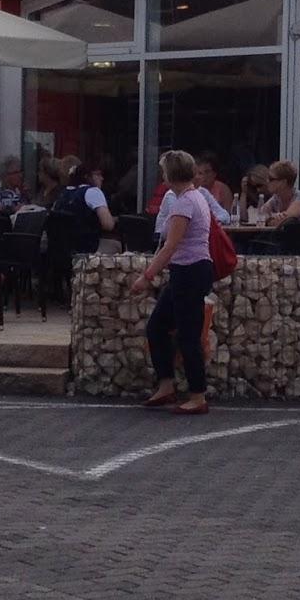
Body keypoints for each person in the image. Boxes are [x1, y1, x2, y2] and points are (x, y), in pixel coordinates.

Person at [130, 150, 214, 415]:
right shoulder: (195, 197)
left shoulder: (184, 204)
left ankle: (198, 395)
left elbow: (170, 246)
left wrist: (147, 276)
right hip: (188, 271)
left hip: (189, 272)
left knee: (188, 334)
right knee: (157, 327)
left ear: (170, 174)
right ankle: (166, 384)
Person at [53, 162, 116, 254]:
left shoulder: (63, 193)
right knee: (115, 245)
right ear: (87, 176)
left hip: (60, 251)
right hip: (86, 252)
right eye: (98, 175)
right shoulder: (93, 192)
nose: (102, 178)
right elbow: (108, 225)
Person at [257, 159, 300, 225]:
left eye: (271, 179)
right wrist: (271, 218)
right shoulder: (276, 198)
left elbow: (282, 223)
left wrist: (269, 219)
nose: (267, 181)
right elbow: (260, 215)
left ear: (283, 182)